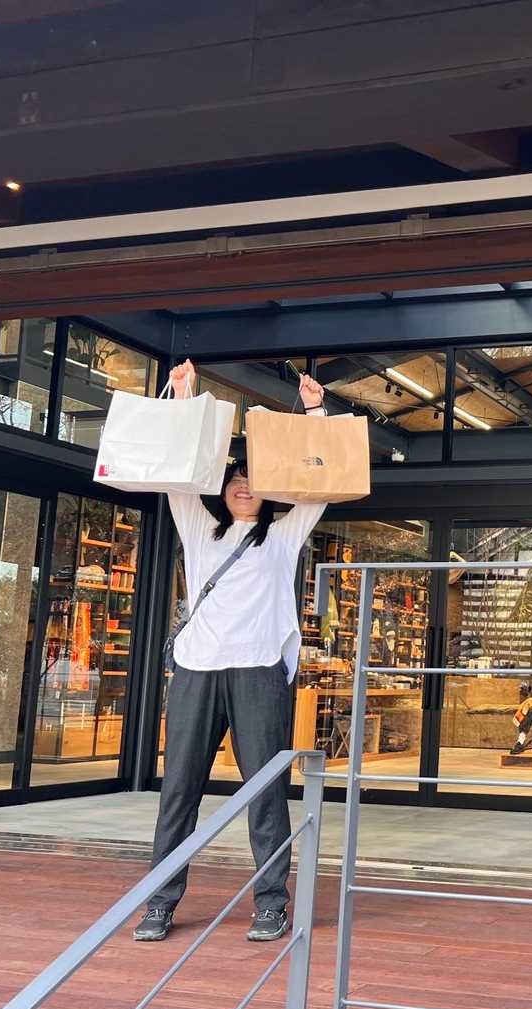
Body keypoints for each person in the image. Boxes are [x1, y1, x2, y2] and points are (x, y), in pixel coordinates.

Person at [134, 360, 328, 944]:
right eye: (235, 479)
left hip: (258, 671)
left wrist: (314, 410)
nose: (243, 486)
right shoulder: (201, 531)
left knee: (265, 792)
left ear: (269, 490)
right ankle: (159, 902)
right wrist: (185, 396)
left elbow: (319, 488)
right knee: (178, 792)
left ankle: (271, 902)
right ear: (222, 490)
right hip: (197, 670)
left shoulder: (284, 536)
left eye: (253, 479)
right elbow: (175, 479)